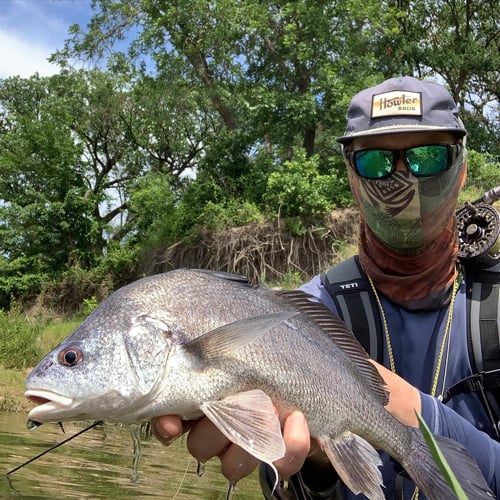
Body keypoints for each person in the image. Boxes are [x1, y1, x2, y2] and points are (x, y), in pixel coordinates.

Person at [151, 76, 500, 498]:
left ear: (461, 171)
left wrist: (414, 412)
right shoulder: (303, 312)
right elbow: (279, 479)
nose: (403, 178)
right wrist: (313, 463)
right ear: (353, 178)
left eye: (428, 157)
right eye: (375, 162)